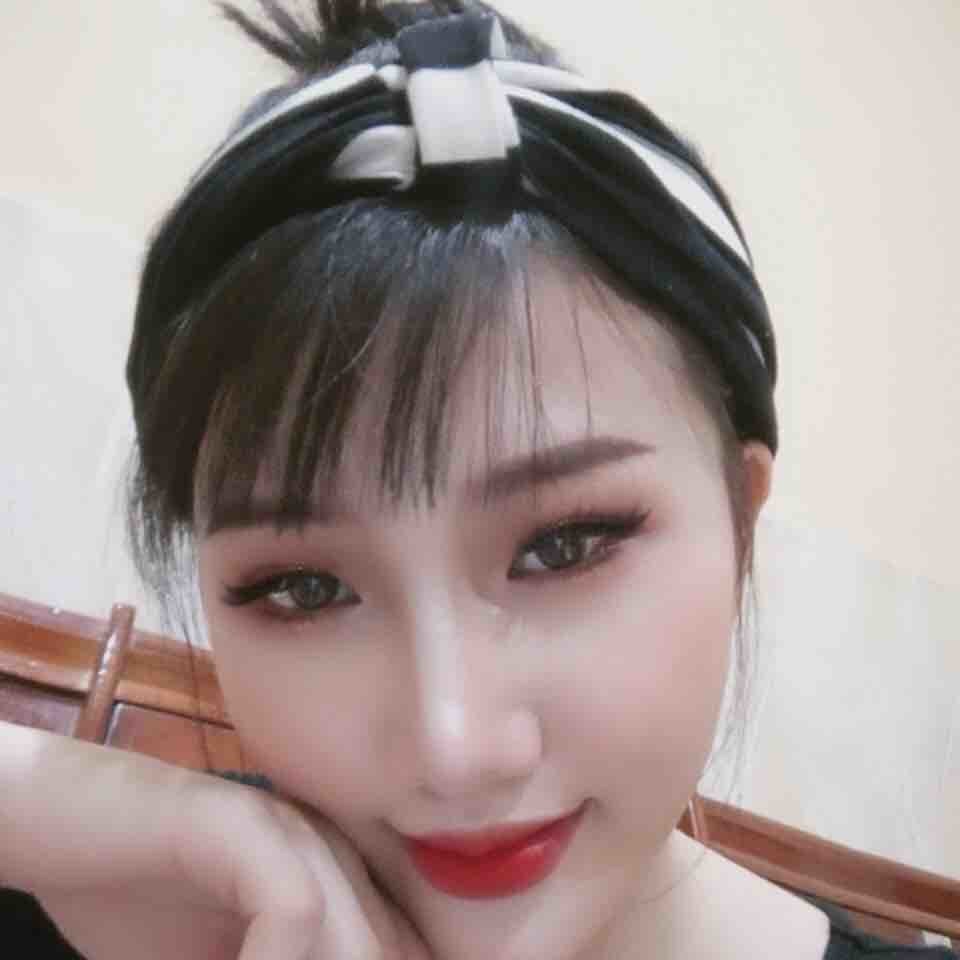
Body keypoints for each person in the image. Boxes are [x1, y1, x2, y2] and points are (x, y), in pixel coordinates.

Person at [1, 1, 955, 958]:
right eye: (306, 588)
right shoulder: (123, 899)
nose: (453, 750)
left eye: (564, 546)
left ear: (740, 521)